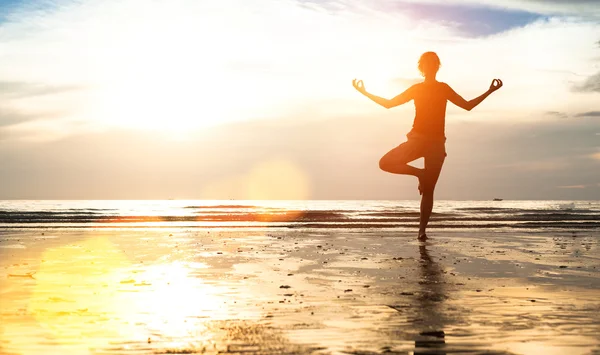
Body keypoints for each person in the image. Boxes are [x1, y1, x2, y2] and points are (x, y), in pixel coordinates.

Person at [352, 51, 503, 240]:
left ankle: (422, 231)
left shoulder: (443, 88)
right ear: (422, 67)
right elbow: (389, 104)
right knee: (385, 163)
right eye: (426, 63)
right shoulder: (416, 89)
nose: (430, 66)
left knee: (429, 189)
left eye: (433, 63)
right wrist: (365, 93)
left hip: (436, 144)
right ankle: (419, 174)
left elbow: (467, 105)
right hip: (417, 140)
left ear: (436, 66)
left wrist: (489, 91)